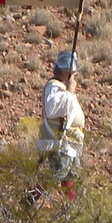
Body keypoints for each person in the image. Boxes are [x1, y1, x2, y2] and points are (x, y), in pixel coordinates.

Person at [35, 50, 86, 200]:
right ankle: (28, 203)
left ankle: (70, 210)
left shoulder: (61, 88)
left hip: (70, 143)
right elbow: (52, 109)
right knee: (54, 175)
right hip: (58, 141)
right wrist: (70, 90)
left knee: (70, 178)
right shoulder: (54, 86)